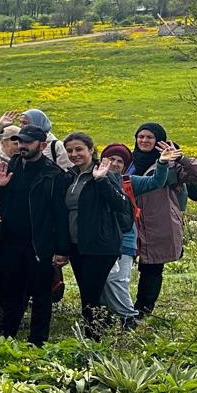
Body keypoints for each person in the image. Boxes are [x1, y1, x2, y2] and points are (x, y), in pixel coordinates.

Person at [0, 125, 72, 346]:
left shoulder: (54, 175)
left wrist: (62, 249)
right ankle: (6, 332)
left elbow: (60, 214)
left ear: (42, 145)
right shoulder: (12, 166)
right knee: (11, 290)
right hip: (10, 241)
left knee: (41, 294)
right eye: (19, 141)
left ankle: (38, 339)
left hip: (39, 243)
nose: (21, 146)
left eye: (27, 142)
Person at [126, 122, 197, 316]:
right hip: (129, 221)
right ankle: (121, 307)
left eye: (149, 137)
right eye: (141, 137)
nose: (144, 141)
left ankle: (144, 310)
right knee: (120, 267)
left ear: (160, 141)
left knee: (152, 268)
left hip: (159, 221)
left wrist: (180, 158)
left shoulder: (172, 164)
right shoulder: (129, 161)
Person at [59, 133, 134, 332]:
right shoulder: (70, 176)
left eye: (79, 149)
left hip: (100, 245)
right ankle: (100, 327)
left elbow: (120, 204)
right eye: (70, 150)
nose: (74, 154)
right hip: (78, 245)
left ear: (91, 150)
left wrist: (101, 181)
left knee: (90, 295)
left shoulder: (105, 173)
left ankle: (93, 337)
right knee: (87, 292)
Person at [99, 143, 145, 326]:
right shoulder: (93, 179)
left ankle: (129, 317)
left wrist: (165, 164)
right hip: (103, 238)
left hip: (125, 238)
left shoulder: (128, 182)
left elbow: (156, 181)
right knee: (103, 279)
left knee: (117, 279)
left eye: (120, 161)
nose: (115, 164)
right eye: (112, 159)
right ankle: (105, 317)